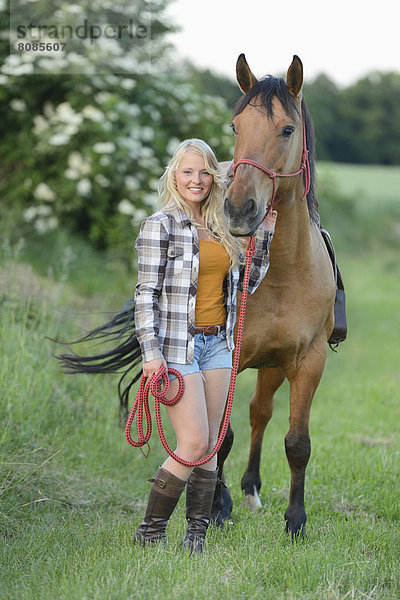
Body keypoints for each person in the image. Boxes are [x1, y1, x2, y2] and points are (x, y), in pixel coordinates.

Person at [133, 138, 277, 553]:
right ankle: (151, 532)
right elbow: (145, 294)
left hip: (218, 346)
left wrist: (262, 237)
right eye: (187, 172)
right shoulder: (159, 225)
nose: (196, 180)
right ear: (174, 177)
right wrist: (151, 353)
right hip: (178, 347)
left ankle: (196, 537)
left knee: (212, 445)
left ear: (214, 177)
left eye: (203, 172)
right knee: (194, 443)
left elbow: (245, 285)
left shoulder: (220, 227)